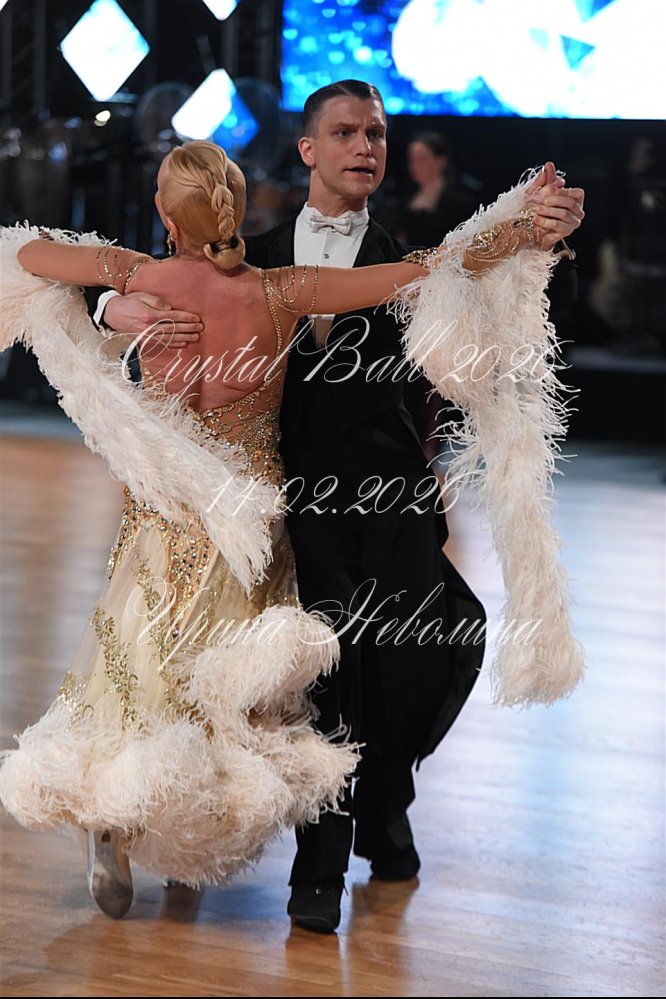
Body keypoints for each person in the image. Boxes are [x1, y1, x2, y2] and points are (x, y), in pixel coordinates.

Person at [82, 82, 586, 934]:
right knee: (325, 675)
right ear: (309, 149)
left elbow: (501, 287)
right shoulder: (249, 257)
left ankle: (386, 805)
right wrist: (112, 305)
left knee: (426, 655)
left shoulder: (413, 252)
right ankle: (319, 868)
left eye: (377, 134)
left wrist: (541, 240)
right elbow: (117, 282)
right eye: (346, 132)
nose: (365, 147)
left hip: (391, 500)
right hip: (289, 508)